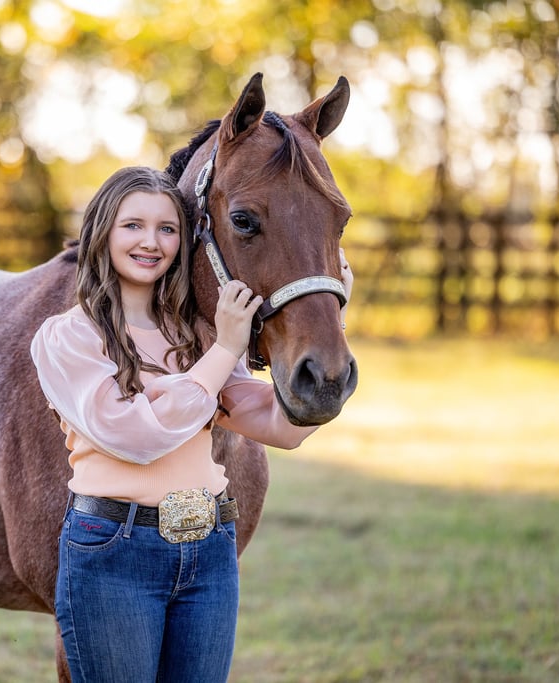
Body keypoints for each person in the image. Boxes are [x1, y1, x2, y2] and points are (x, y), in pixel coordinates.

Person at [30, 166, 352, 682]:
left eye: (167, 228)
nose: (151, 242)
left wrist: (329, 325)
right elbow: (136, 437)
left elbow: (284, 427)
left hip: (208, 551)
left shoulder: (197, 339)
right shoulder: (68, 337)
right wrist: (225, 349)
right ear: (102, 232)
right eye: (133, 225)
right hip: (115, 553)